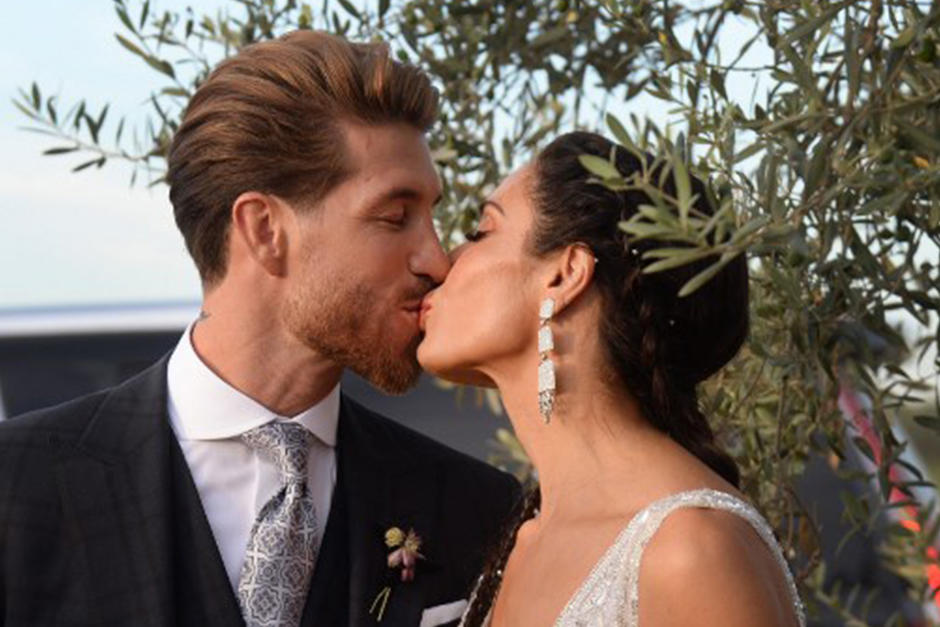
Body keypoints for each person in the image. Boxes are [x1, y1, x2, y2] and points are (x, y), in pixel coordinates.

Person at [0, 31, 518, 627]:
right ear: (265, 230)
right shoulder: (17, 487)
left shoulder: (477, 509)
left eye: (431, 216)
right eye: (395, 216)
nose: (436, 259)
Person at [417, 131, 806, 626]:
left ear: (564, 275)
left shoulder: (691, 550)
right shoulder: (521, 541)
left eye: (481, 233)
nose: (442, 262)